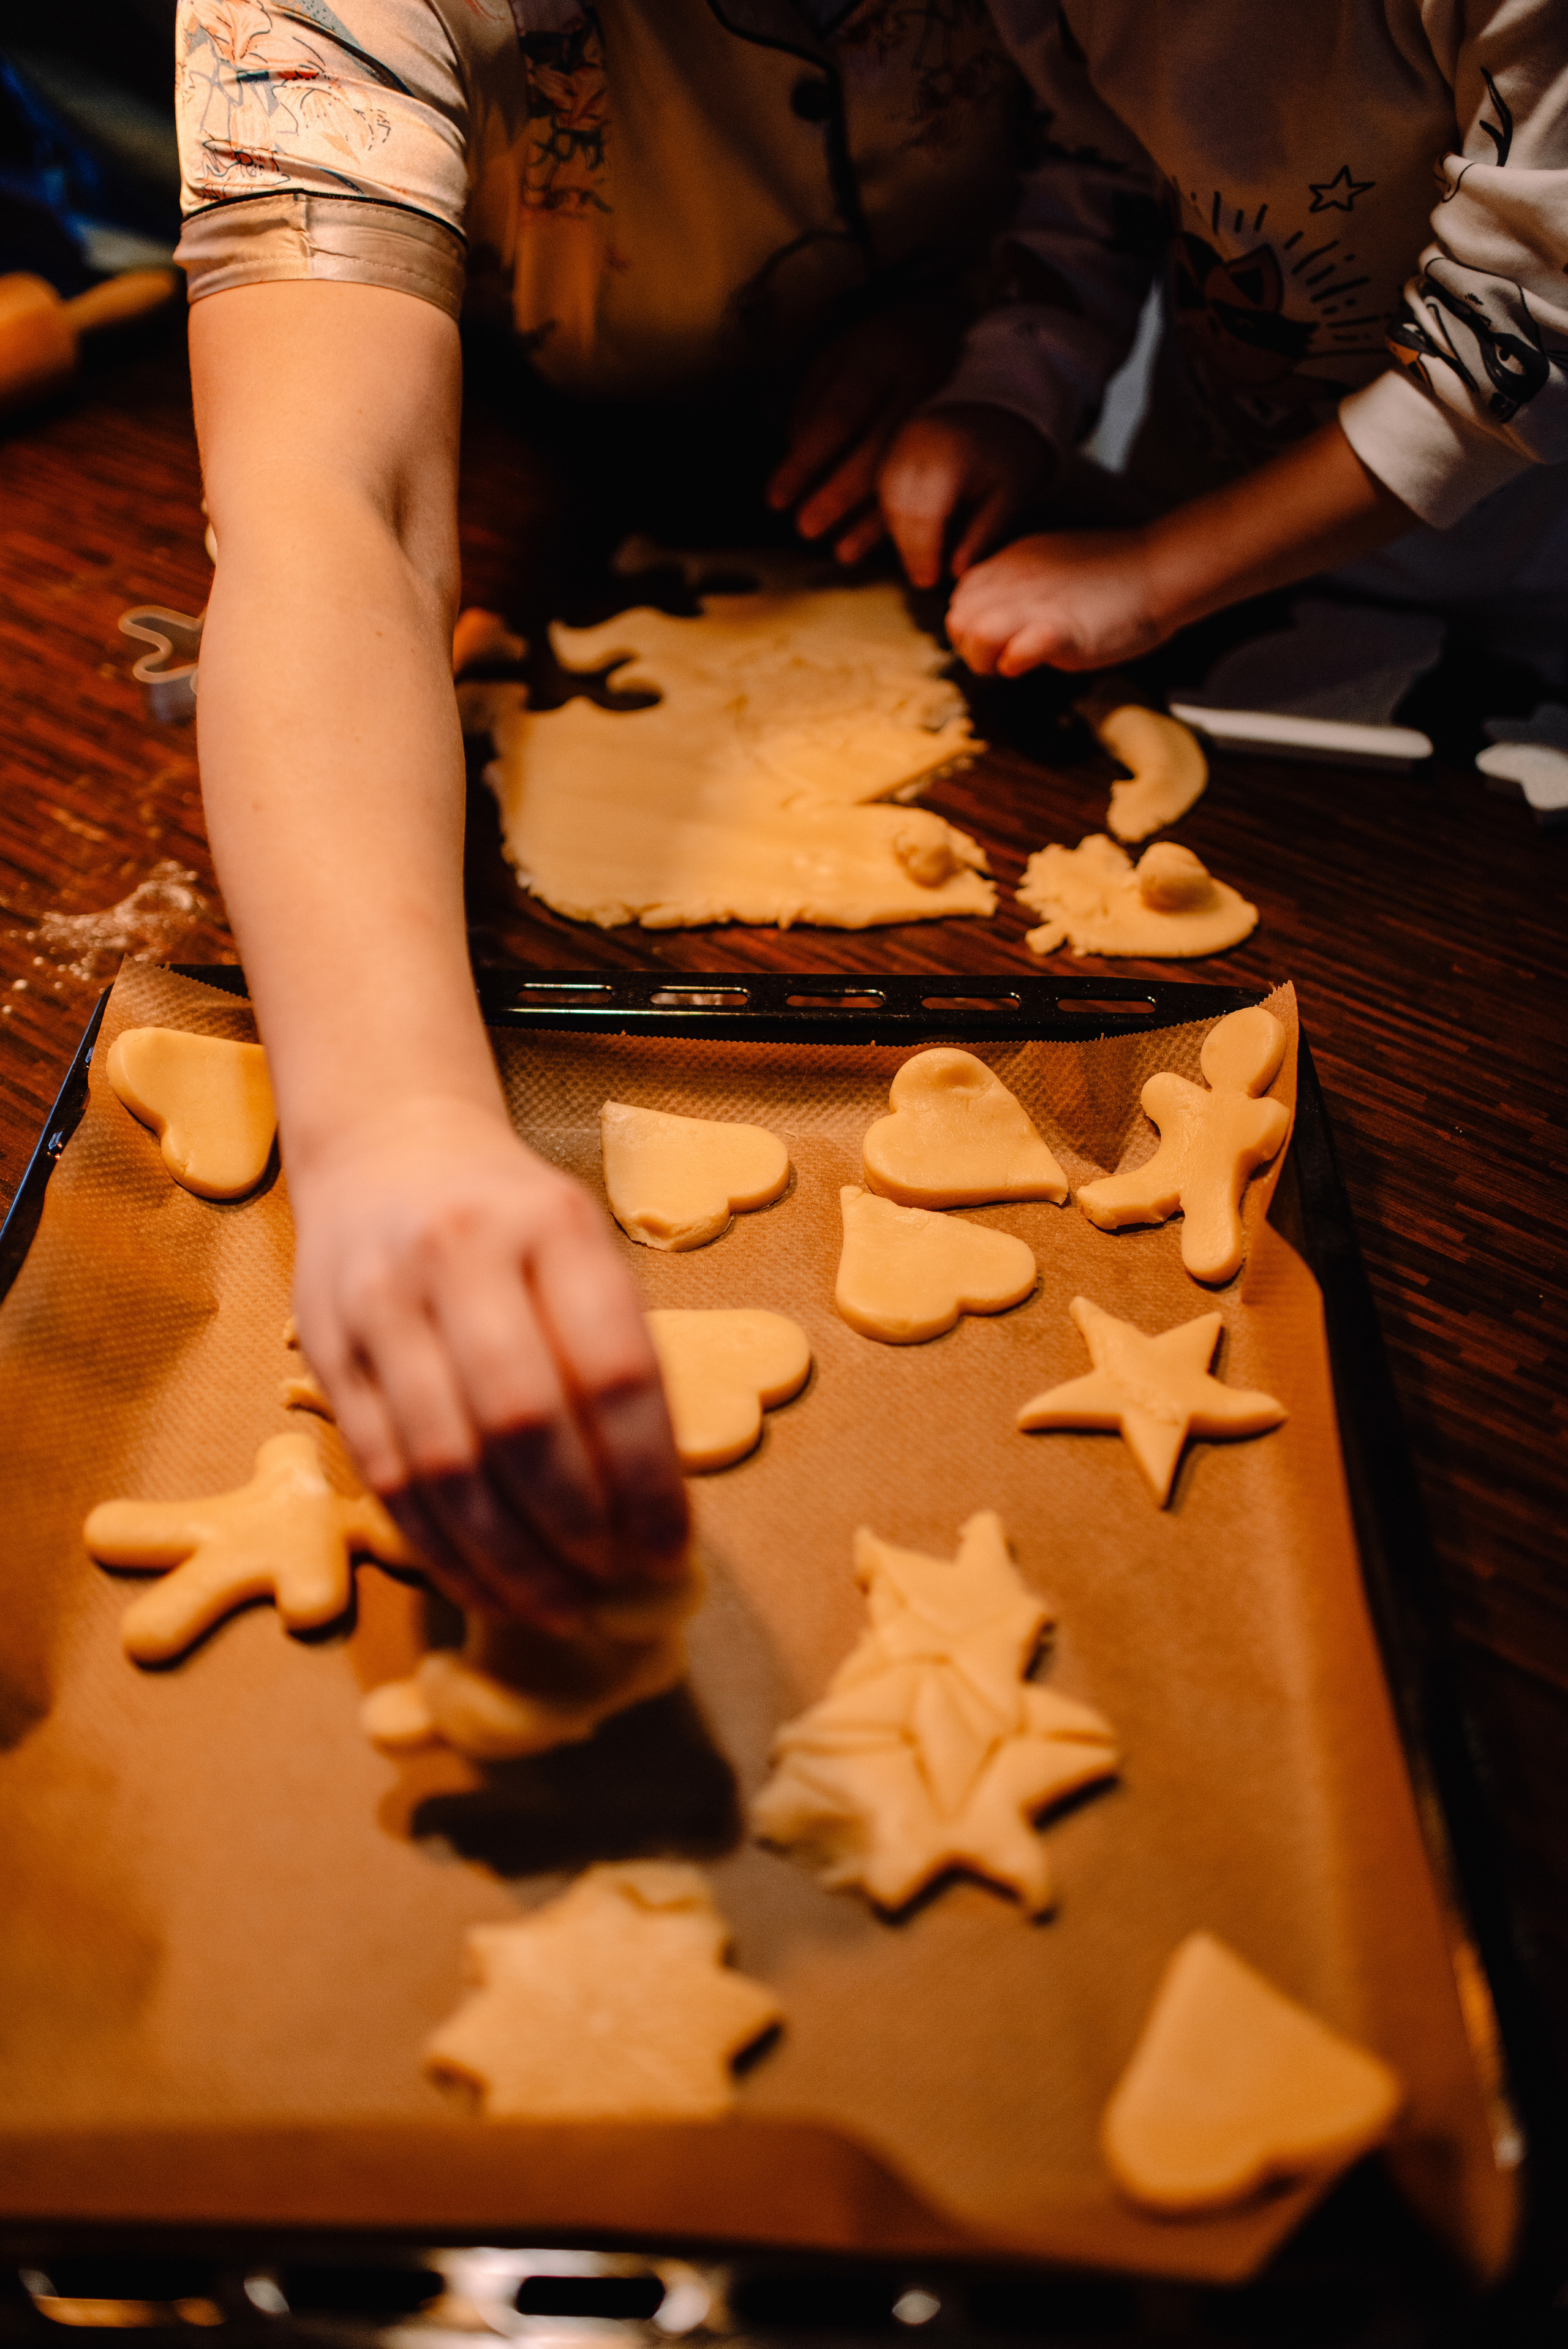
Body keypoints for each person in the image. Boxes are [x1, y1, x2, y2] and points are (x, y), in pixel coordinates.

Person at [172, 0, 1050, 1634]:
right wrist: (390, 1123)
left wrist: (983, 324)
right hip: (545, 401)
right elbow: (323, 510)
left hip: (980, 432)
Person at [871, 2, 1568, 683]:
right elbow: (1098, 162)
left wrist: (1151, 571)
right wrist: (1011, 389)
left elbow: (1510, 354)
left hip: (1493, 602)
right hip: (1178, 538)